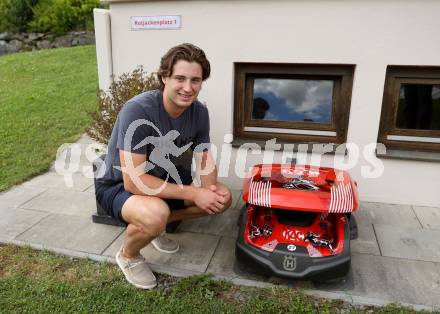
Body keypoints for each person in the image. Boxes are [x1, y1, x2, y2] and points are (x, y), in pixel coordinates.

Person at [95, 43, 232, 289]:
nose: (188, 88)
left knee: (222, 198)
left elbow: (203, 157)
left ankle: (155, 228)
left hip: (163, 180)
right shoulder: (138, 110)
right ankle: (129, 255)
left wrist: (209, 190)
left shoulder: (199, 113)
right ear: (164, 77)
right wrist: (193, 192)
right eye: (180, 78)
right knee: (155, 214)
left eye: (196, 80)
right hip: (118, 184)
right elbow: (134, 181)